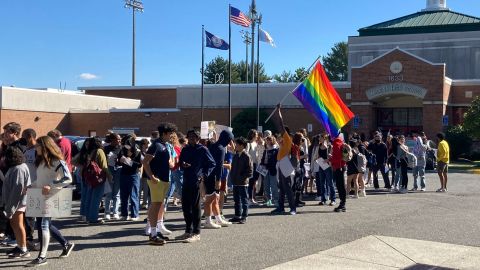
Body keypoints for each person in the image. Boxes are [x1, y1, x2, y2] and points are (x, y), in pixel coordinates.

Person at [26, 136, 75, 266]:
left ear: (45, 146)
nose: (36, 148)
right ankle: (66, 243)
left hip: (52, 197)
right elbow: (42, 180)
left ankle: (42, 257)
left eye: (38, 146)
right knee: (44, 224)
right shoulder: (41, 161)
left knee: (43, 225)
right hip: (41, 196)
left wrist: (51, 185)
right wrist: (31, 185)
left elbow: (68, 178)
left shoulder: (58, 161)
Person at [176, 130, 216, 243]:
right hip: (186, 179)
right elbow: (181, 162)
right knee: (185, 207)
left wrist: (203, 175)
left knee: (195, 207)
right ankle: (188, 230)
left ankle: (196, 233)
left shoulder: (203, 149)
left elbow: (212, 163)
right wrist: (183, 165)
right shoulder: (185, 149)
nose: (192, 139)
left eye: (194, 137)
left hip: (197, 181)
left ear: (198, 139)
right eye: (190, 137)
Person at [142, 123, 177, 245]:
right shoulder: (156, 145)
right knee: (155, 205)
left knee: (158, 205)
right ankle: (153, 234)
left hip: (163, 180)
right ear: (164, 133)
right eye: (170, 133)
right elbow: (145, 162)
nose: (171, 136)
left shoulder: (163, 145)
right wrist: (151, 177)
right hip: (157, 180)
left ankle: (155, 231)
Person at [73, 137, 112, 224]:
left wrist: (82, 167)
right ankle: (93, 218)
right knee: (96, 198)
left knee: (89, 198)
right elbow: (104, 166)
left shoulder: (88, 151)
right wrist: (110, 176)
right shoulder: (99, 151)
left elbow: (73, 160)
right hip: (98, 177)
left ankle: (87, 216)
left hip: (88, 177)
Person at [2, 146, 31, 258]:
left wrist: (10, 209)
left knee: (18, 225)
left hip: (17, 202)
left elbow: (17, 190)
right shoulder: (15, 167)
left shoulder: (19, 168)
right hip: (14, 201)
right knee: (15, 224)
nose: (4, 159)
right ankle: (20, 246)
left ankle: (23, 249)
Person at [204, 130, 234, 228]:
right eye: (230, 139)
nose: (230, 142)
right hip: (213, 177)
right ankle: (208, 221)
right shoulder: (221, 148)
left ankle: (218, 219)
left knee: (215, 198)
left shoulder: (213, 146)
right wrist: (218, 180)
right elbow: (219, 166)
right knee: (210, 199)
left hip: (208, 175)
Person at [271, 104, 297, 215]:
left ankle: (293, 208)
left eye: (282, 133)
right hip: (282, 164)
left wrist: (278, 112)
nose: (280, 134)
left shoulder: (287, 139)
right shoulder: (283, 142)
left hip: (285, 164)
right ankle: (281, 207)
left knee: (287, 187)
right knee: (281, 187)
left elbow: (281, 125)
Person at [228, 137, 253, 224]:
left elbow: (250, 171)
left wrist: (242, 178)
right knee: (236, 200)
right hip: (235, 182)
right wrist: (232, 176)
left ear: (242, 146)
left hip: (243, 183)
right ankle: (237, 215)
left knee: (244, 200)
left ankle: (244, 216)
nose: (235, 146)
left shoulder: (247, 156)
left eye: (237, 144)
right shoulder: (235, 155)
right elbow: (233, 168)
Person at [118, 136, 142, 221]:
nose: (126, 146)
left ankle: (134, 215)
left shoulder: (137, 151)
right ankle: (124, 214)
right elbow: (118, 162)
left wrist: (130, 161)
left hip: (133, 175)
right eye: (125, 145)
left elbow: (139, 164)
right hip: (124, 174)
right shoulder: (122, 150)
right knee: (123, 196)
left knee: (133, 195)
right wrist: (120, 160)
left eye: (128, 145)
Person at [103, 133, 122, 220]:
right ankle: (107, 212)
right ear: (112, 140)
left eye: (119, 139)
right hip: (109, 170)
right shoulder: (106, 149)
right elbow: (103, 162)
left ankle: (115, 212)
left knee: (116, 193)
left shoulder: (121, 149)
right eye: (117, 139)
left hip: (119, 170)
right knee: (109, 193)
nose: (119, 140)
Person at [331, 133, 349, 212]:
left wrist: (330, 159)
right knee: (341, 185)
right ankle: (343, 203)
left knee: (340, 185)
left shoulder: (336, 143)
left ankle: (343, 204)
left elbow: (337, 156)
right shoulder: (341, 142)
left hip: (339, 167)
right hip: (342, 166)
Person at [317, 133, 336, 206]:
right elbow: (319, 155)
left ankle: (333, 199)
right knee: (322, 183)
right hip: (321, 166)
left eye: (320, 138)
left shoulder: (329, 146)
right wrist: (318, 159)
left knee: (330, 183)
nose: (319, 139)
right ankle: (323, 199)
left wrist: (328, 160)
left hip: (328, 166)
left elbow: (332, 156)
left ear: (324, 138)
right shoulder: (319, 146)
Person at [260, 136, 279, 207]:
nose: (268, 141)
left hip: (272, 169)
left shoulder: (275, 149)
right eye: (267, 140)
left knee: (274, 186)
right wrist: (262, 165)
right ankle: (268, 200)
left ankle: (276, 200)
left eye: (269, 140)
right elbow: (263, 159)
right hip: (265, 170)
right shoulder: (266, 150)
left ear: (273, 141)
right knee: (266, 186)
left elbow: (276, 160)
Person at [245, 129, 259, 204]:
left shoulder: (255, 143)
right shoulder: (248, 144)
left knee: (254, 182)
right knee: (250, 182)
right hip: (250, 165)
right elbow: (246, 154)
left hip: (256, 164)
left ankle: (252, 198)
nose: (257, 136)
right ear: (253, 135)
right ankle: (250, 198)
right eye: (256, 134)